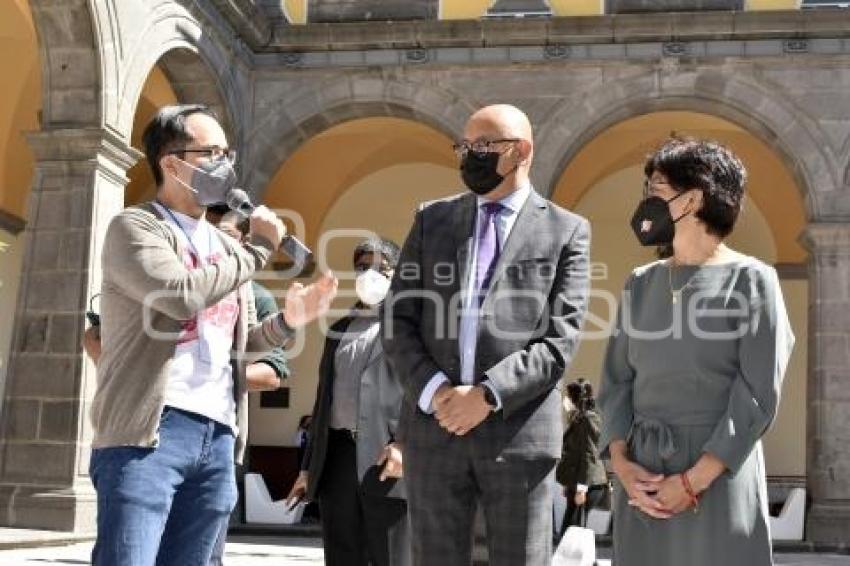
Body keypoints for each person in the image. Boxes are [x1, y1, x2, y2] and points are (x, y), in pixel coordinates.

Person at [88, 103, 337, 566]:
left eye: (229, 153)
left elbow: (234, 342)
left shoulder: (224, 247)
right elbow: (179, 295)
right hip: (150, 431)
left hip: (219, 433)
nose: (226, 164)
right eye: (212, 152)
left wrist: (288, 321)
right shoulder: (136, 227)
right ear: (171, 163)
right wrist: (261, 245)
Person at [383, 104, 591, 566]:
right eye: (465, 146)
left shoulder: (567, 231)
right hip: (434, 430)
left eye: (484, 146)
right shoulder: (430, 219)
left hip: (518, 435)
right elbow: (397, 320)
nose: (470, 156)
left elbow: (559, 339)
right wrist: (438, 393)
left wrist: (488, 395)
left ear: (522, 151)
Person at [597, 137, 795, 566]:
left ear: (693, 199)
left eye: (656, 190)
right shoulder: (640, 281)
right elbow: (615, 381)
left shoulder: (752, 281)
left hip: (718, 472)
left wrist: (692, 481)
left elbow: (758, 392)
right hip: (643, 477)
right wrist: (621, 465)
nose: (646, 202)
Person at [287, 237, 411, 566]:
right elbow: (322, 401)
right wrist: (308, 468)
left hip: (387, 457)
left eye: (380, 267)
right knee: (342, 553)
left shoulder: (412, 328)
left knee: (391, 555)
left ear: (397, 273)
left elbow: (423, 394)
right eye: (362, 267)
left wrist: (405, 444)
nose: (369, 274)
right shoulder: (339, 330)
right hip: (337, 457)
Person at [554, 379, 608, 541]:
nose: (566, 399)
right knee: (570, 531)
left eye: (568, 396)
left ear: (575, 397)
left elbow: (588, 454)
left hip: (587, 484)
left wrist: (581, 489)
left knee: (571, 533)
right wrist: (568, 485)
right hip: (577, 481)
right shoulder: (580, 417)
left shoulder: (587, 419)